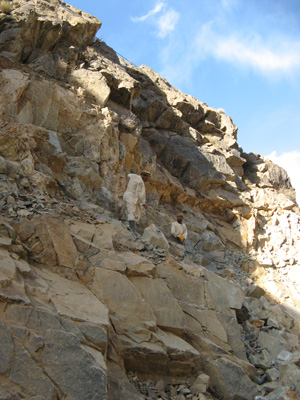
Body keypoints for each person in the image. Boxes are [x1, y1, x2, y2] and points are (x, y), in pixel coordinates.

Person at [123, 170, 150, 235]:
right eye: (146, 177)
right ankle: (132, 229)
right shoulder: (140, 181)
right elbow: (139, 193)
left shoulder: (134, 176)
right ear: (143, 175)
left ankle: (131, 227)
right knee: (132, 212)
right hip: (132, 197)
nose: (147, 179)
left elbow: (128, 175)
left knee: (133, 212)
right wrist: (143, 203)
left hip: (127, 195)